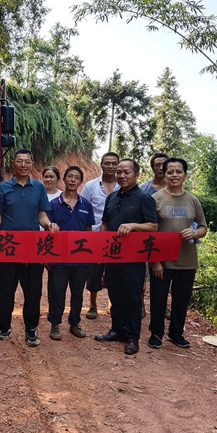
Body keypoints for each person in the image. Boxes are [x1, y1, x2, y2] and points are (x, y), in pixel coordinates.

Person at [0, 149, 59, 347]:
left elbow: (42, 216)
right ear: (13, 163)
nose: (23, 165)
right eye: (20, 161)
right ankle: (4, 327)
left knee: (33, 292)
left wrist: (49, 225)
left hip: (32, 249)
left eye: (27, 161)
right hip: (8, 249)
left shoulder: (39, 187)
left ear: (32, 164)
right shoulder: (3, 187)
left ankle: (31, 329)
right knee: (6, 290)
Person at [94, 159, 158, 355]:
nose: (121, 176)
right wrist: (101, 247)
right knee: (115, 294)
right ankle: (116, 330)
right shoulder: (112, 197)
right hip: (112, 256)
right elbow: (105, 223)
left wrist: (133, 226)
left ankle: (132, 337)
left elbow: (153, 226)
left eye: (126, 172)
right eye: (119, 172)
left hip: (134, 259)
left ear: (136, 174)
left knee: (132, 296)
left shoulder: (144, 198)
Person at [148, 157, 207, 349]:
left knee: (181, 300)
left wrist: (195, 233)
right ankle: (156, 333)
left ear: (185, 175)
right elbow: (150, 232)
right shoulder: (155, 199)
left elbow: (203, 227)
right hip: (162, 260)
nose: (174, 175)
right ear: (164, 175)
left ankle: (176, 333)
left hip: (187, 259)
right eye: (170, 172)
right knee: (158, 298)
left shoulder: (193, 200)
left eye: (178, 171)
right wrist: (155, 261)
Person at [46, 166, 95, 340]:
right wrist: (47, 259)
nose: (73, 180)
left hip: (80, 260)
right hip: (59, 259)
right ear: (64, 179)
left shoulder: (86, 205)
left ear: (81, 182)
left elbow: (88, 231)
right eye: (70, 176)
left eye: (76, 177)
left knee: (77, 293)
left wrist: (90, 257)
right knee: (56, 293)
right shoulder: (53, 204)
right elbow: (47, 234)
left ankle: (75, 323)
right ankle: (55, 324)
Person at [81, 152, 119, 320]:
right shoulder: (91, 186)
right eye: (107, 163)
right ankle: (92, 305)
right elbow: (83, 209)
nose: (110, 166)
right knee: (94, 272)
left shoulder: (123, 186)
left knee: (114, 272)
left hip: (117, 237)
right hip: (95, 236)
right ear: (101, 164)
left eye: (114, 163)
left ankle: (112, 305)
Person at [138, 152, 169, 319]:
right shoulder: (143, 189)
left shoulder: (174, 189)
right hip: (145, 238)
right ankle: (141, 303)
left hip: (167, 239)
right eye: (157, 164)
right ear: (152, 167)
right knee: (142, 273)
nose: (161, 168)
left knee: (165, 273)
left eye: (164, 164)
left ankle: (163, 305)